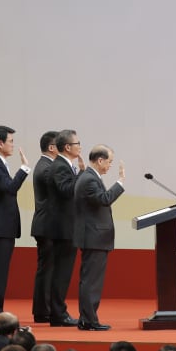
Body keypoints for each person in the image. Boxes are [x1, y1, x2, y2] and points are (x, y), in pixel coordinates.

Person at [73, 144, 125, 331]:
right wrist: (120, 182)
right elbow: (104, 199)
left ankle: (86, 318)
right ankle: (89, 320)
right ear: (100, 160)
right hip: (93, 237)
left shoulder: (90, 177)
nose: (110, 165)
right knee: (91, 281)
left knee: (90, 280)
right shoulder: (89, 179)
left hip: (94, 236)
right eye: (109, 161)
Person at [0, 125, 30, 326]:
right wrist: (24, 169)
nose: (12, 145)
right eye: (10, 141)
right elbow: (10, 188)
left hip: (2, 228)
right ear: (0, 143)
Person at [45, 129, 84, 327]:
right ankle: (58, 314)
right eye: (78, 144)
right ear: (67, 147)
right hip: (62, 227)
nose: (80, 147)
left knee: (63, 271)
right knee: (61, 272)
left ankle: (58, 312)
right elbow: (67, 190)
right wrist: (81, 175)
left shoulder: (64, 165)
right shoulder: (60, 166)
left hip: (66, 226)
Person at [30, 130, 59, 323]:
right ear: (51, 147)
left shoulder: (46, 165)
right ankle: (43, 311)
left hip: (47, 225)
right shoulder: (47, 168)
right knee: (47, 269)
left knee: (47, 269)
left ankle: (43, 309)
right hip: (48, 225)